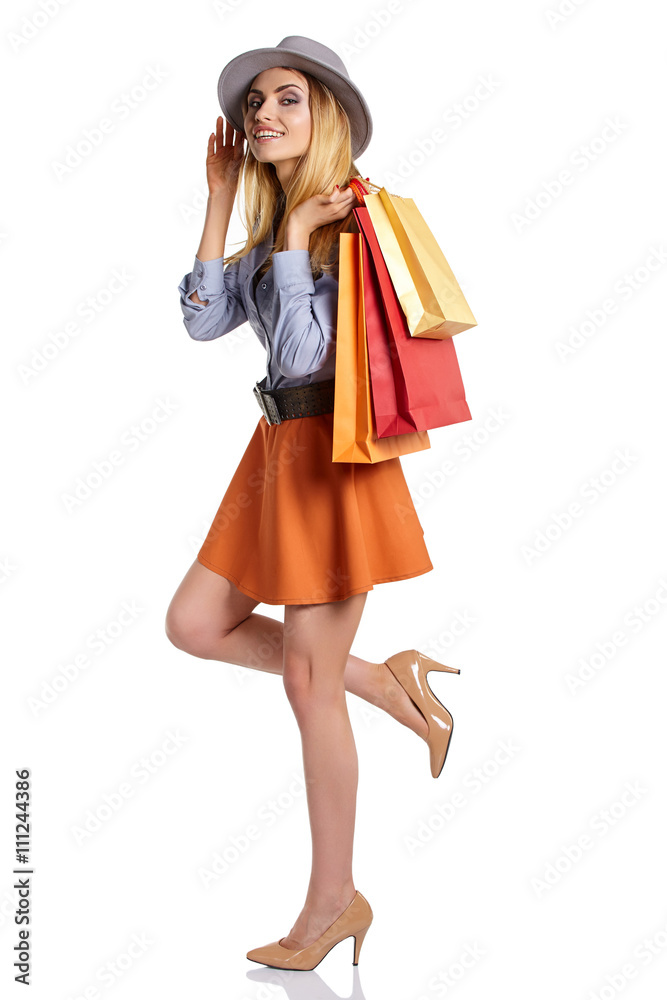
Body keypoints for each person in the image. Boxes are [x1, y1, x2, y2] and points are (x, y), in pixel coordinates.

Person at [165, 36, 460, 972]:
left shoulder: (349, 225)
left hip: (335, 464)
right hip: (276, 458)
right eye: (255, 103)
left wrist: (294, 243)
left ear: (326, 113)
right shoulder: (284, 225)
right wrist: (220, 206)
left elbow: (301, 360)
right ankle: (381, 678)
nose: (262, 116)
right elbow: (204, 319)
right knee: (194, 623)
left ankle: (334, 903)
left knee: (303, 682)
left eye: (286, 100)